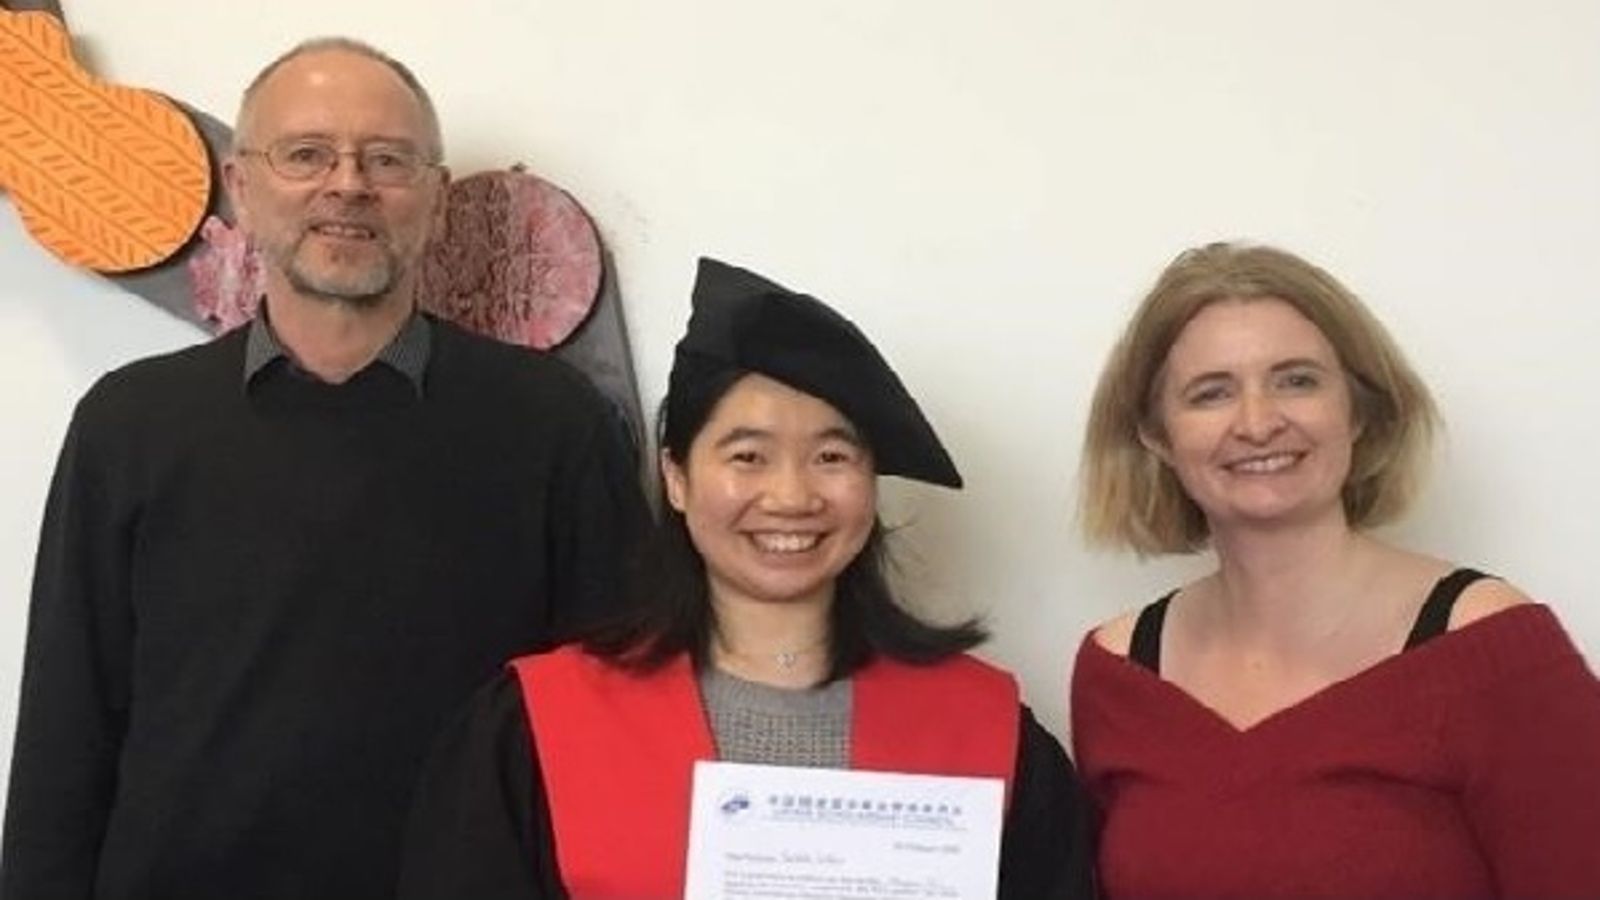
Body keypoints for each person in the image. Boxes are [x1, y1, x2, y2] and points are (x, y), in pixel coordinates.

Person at [1, 38, 647, 900]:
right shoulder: (130, 424)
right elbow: (66, 728)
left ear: (438, 199)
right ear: (242, 185)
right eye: (305, 154)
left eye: (387, 158)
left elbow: (616, 726)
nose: (348, 184)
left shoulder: (556, 427)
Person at [397, 257, 1097, 899]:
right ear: (677, 476)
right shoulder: (535, 727)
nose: (792, 496)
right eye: (748, 456)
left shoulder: (984, 731)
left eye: (831, 456)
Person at [1070, 241, 1600, 898]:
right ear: (1155, 435)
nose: (1259, 422)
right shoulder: (1118, 671)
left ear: (1359, 410)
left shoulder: (1491, 647)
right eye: (1211, 394)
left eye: (1297, 380)